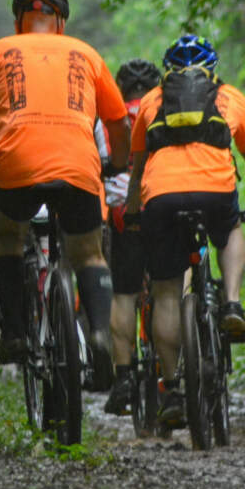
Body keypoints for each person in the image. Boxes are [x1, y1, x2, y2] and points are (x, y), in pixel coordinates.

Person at [0, 0, 130, 390]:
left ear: (18, 21)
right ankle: (100, 333)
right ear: (61, 22)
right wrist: (116, 165)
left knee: (8, 238)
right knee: (89, 254)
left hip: (17, 169)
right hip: (78, 168)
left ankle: (13, 333)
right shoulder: (87, 54)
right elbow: (118, 123)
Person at [125, 34, 245, 427]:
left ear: (168, 71)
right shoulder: (230, 97)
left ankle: (172, 389)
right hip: (215, 192)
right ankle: (232, 304)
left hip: (161, 197)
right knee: (230, 229)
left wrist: (133, 213)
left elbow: (137, 169)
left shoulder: (151, 101)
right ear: (212, 67)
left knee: (166, 293)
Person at [98, 59, 162, 415]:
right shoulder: (165, 109)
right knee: (169, 289)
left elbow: (98, 162)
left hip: (124, 211)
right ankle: (172, 371)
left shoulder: (109, 117)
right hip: (161, 201)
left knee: (123, 294)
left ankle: (123, 377)